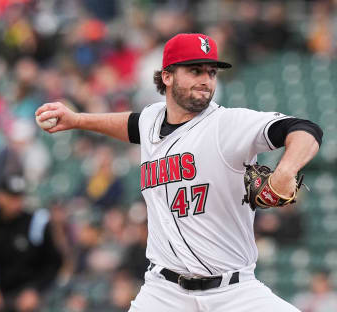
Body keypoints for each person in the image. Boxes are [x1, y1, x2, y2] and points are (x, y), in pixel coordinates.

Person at [36, 33, 322, 311]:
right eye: (195, 70)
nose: (205, 80)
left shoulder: (227, 125)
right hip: (163, 292)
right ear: (167, 76)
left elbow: (305, 129)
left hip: (234, 292)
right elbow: (131, 125)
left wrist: (285, 171)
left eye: (211, 72)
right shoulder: (152, 119)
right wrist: (76, 120)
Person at [0, 175, 62, 312]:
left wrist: (35, 290)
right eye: (11, 197)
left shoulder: (36, 222)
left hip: (29, 293)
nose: (16, 202)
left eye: (19, 198)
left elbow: (53, 263)